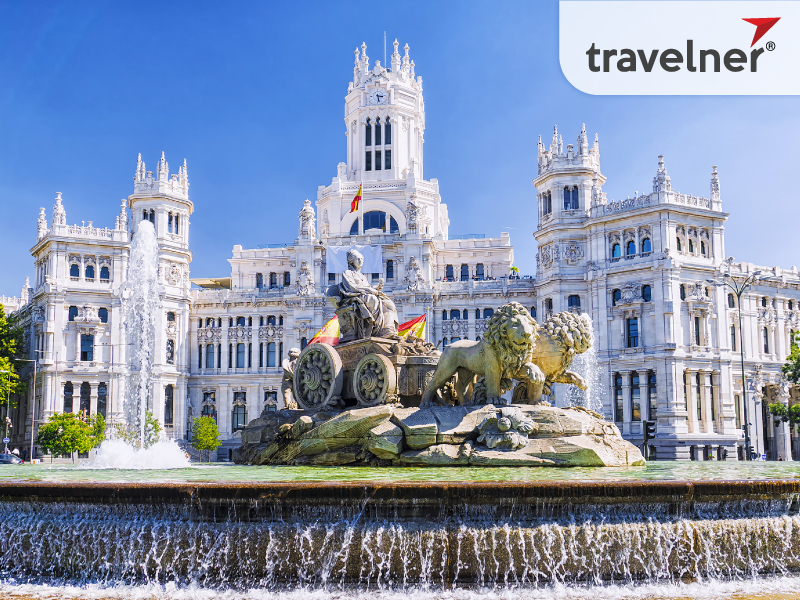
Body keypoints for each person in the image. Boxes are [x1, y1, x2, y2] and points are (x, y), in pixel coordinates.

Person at [326, 249, 399, 342]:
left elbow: (367, 287)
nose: (360, 261)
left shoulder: (363, 276)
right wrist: (369, 290)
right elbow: (352, 288)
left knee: (389, 303)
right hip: (354, 297)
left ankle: (387, 330)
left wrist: (377, 288)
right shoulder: (347, 273)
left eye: (361, 259)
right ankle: (373, 328)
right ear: (352, 261)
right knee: (372, 299)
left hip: (365, 296)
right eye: (358, 259)